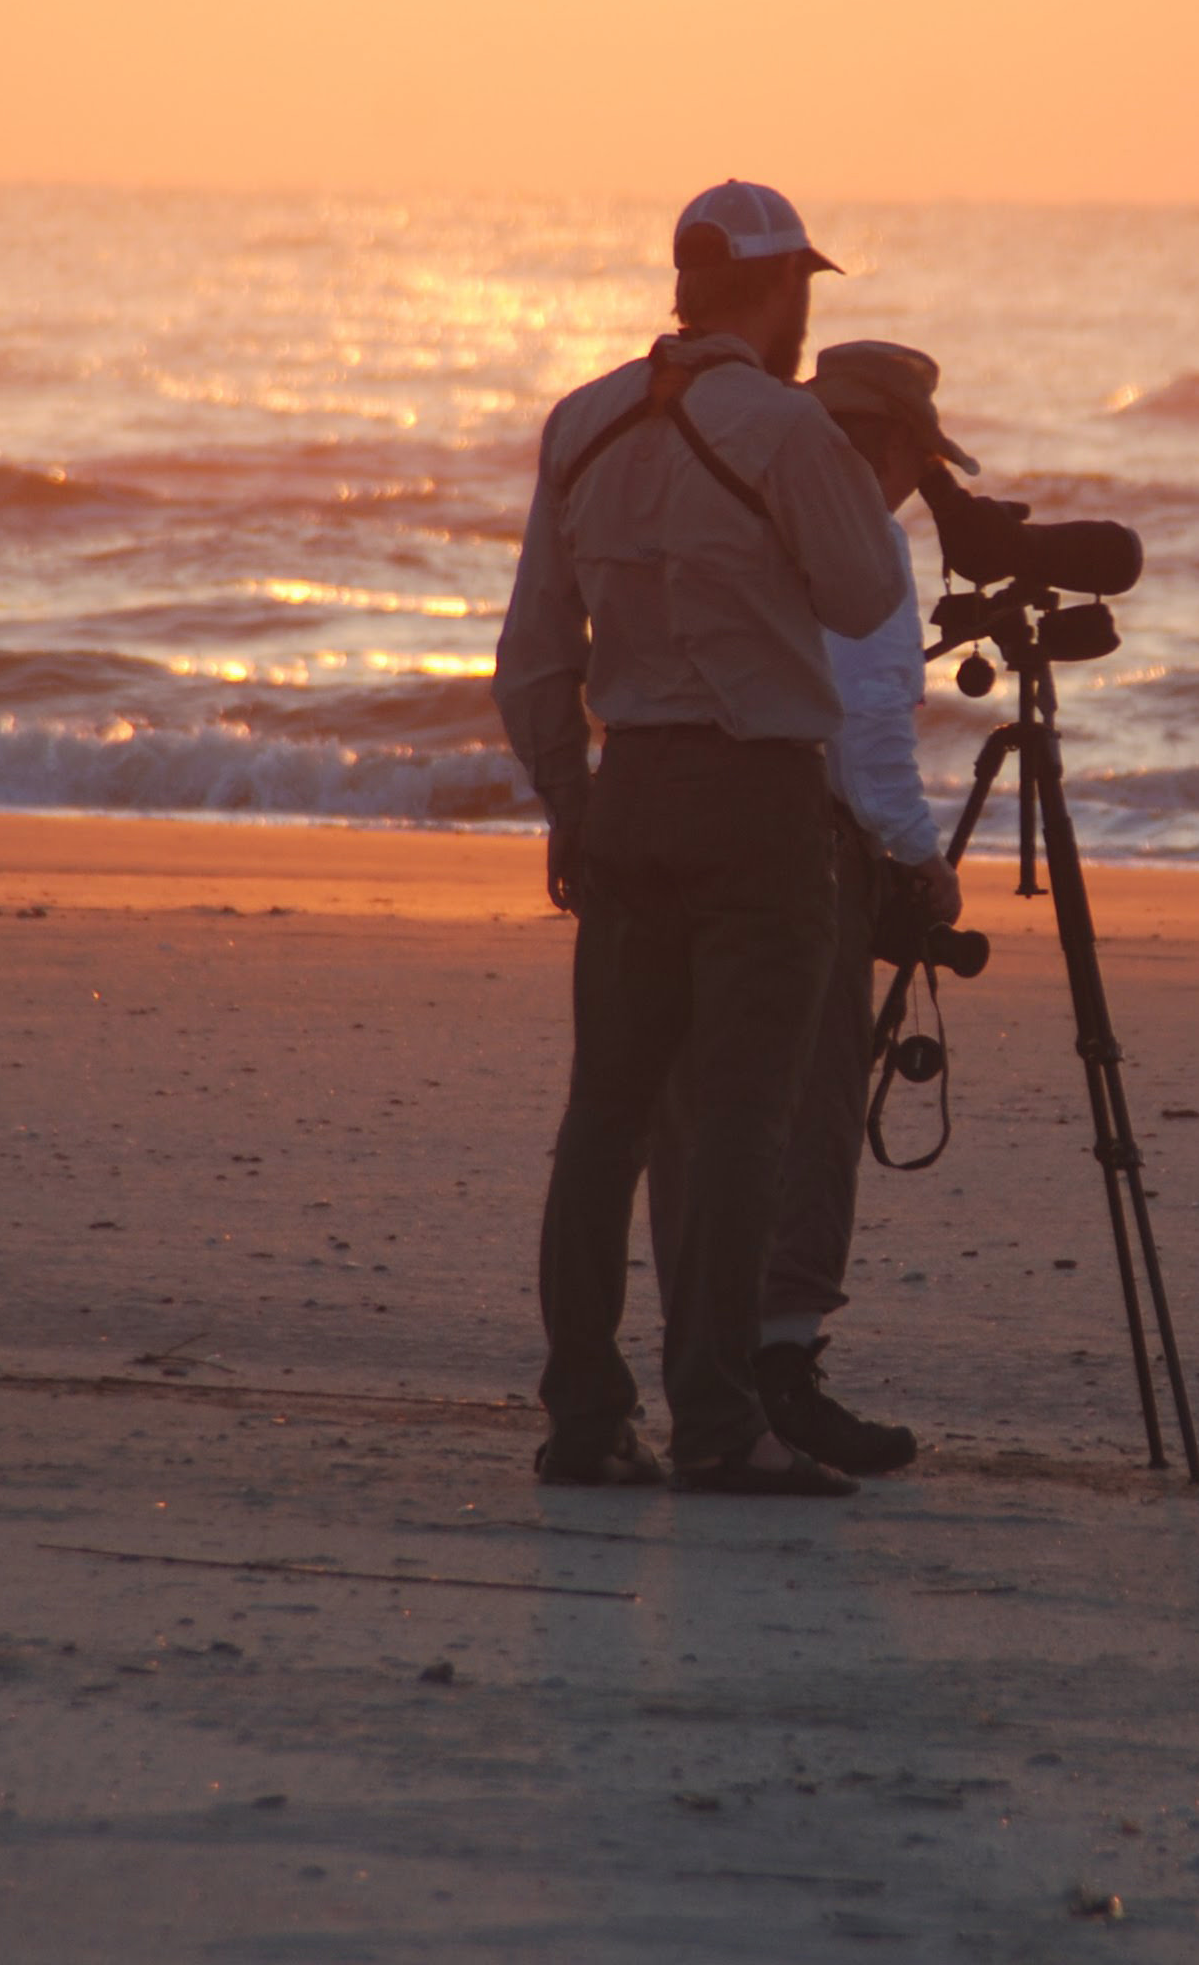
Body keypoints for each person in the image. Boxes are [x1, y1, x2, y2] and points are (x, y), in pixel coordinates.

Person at [492, 180, 908, 1497]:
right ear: (779, 290)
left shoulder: (583, 421)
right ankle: (721, 1424)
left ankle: (583, 1416)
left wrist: (570, 801)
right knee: (742, 1119)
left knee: (605, 1118)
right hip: (757, 804)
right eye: (801, 293)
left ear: (686, 283)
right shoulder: (785, 429)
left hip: (628, 792)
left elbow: (533, 658)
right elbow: (862, 591)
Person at [649, 340, 968, 1478]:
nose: (911, 492)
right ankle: (782, 1363)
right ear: (883, 447)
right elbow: (868, 723)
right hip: (803, 842)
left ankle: (706, 1360)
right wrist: (919, 859)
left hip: (674, 814)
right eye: (915, 464)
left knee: (694, 1105)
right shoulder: (859, 534)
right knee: (814, 1099)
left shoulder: (722, 490)